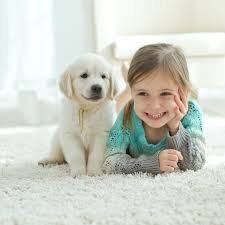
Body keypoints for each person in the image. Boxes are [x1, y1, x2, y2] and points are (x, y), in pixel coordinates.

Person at [102, 43, 206, 175]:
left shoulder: (191, 112)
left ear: (183, 92)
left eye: (165, 93)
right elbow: (109, 163)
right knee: (117, 104)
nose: (154, 106)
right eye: (143, 93)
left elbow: (196, 164)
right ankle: (127, 85)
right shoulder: (127, 114)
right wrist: (151, 163)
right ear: (133, 93)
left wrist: (175, 128)